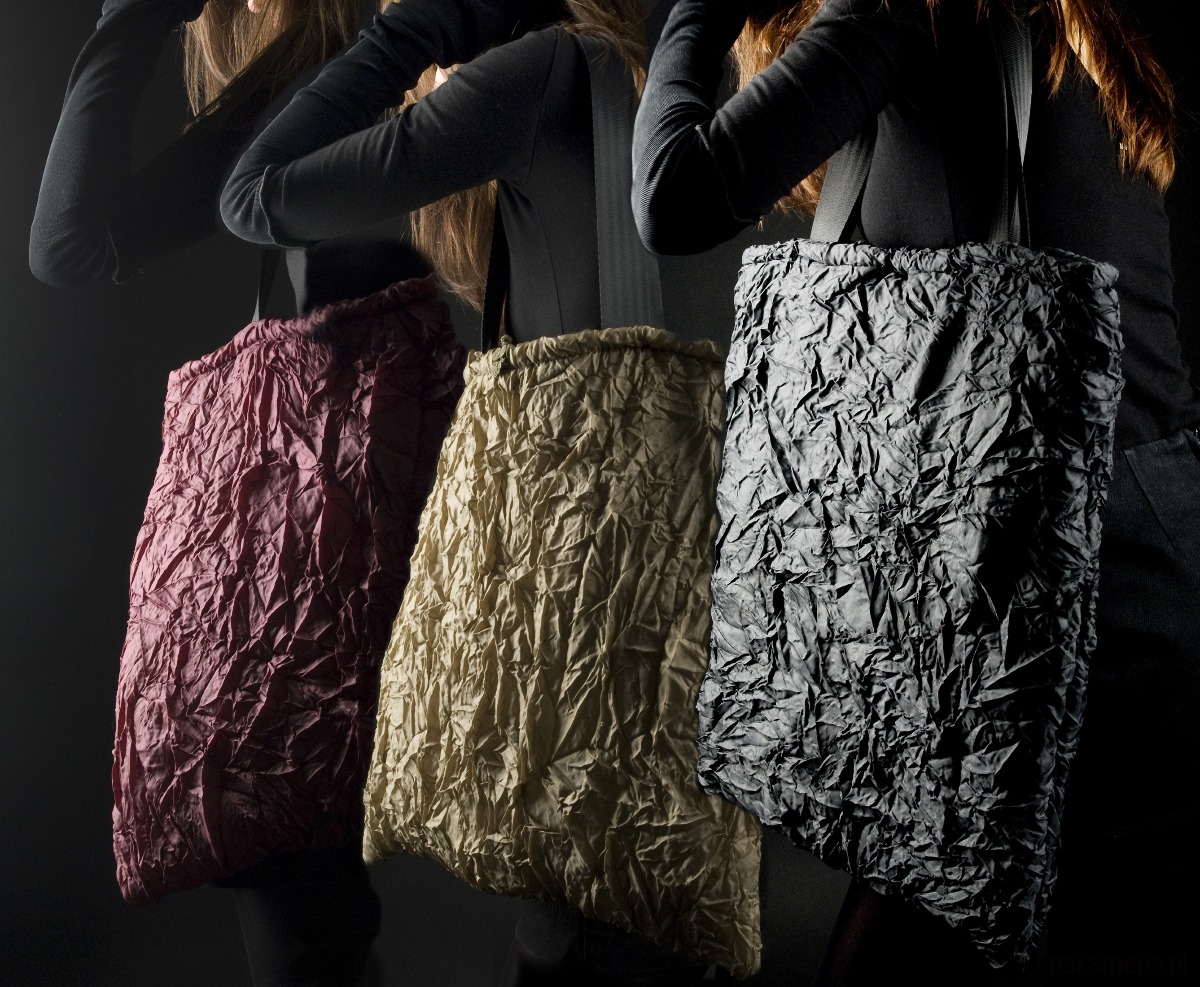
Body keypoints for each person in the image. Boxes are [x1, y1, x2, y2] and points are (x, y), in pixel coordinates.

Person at [631, 1, 1199, 984]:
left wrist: (692, 16)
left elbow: (672, 199)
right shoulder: (1057, 19)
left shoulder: (904, 11)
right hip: (1139, 542)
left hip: (1036, 590)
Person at [221, 1, 767, 983]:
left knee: (588, 920)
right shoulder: (664, 62)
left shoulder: (544, 74)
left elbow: (258, 195)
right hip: (704, 589)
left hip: (593, 608)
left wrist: (418, 30)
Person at [28, 2, 559, 984]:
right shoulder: (321, 77)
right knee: (311, 925)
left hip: (482, 528)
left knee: (570, 909)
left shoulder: (516, 42)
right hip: (337, 556)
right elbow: (72, 243)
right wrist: (134, 17)